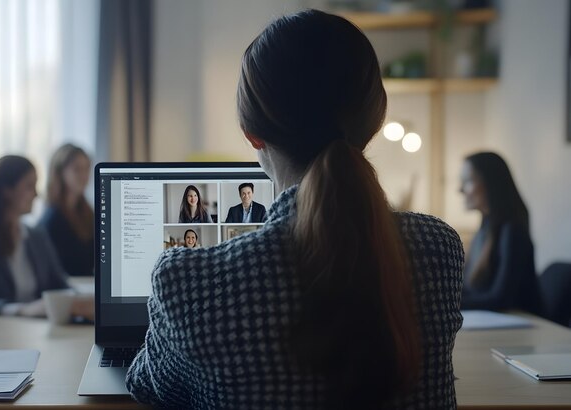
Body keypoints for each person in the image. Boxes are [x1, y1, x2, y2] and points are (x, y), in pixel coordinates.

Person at [127, 10, 464, 409]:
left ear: (251, 134)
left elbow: (148, 389)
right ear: (373, 121)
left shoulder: (186, 282)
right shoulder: (439, 248)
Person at [0, 155, 92, 319]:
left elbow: (60, 284)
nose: (36, 194)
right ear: (7, 191)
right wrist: (20, 310)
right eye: (29, 186)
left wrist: (83, 302)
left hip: (38, 330)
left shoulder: (36, 236)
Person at [459, 151, 541, 314]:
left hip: (521, 326)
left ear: (490, 183)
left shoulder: (512, 231)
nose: (460, 189)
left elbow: (501, 299)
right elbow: (471, 289)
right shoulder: (484, 230)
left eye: (468, 181)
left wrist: (446, 305)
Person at [38, 144, 94, 276]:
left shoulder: (88, 214)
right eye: (77, 169)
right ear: (60, 172)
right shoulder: (52, 219)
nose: (84, 175)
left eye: (87, 169)